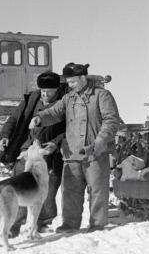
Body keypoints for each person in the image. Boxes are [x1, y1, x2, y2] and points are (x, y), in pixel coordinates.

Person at [29, 63, 122, 234]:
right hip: (71, 152)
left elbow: (111, 121)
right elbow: (54, 112)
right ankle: (70, 224)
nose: (69, 86)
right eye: (68, 82)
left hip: (94, 151)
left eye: (72, 82)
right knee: (70, 191)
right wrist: (39, 118)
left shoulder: (102, 95)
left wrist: (99, 143)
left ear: (82, 78)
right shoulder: (68, 98)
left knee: (97, 190)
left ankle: (97, 225)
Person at [0, 71, 66, 238]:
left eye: (49, 91)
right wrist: (4, 136)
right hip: (26, 152)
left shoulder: (65, 102)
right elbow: (13, 119)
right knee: (18, 189)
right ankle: (13, 226)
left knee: (47, 192)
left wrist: (56, 143)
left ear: (57, 89)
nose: (45, 94)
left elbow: (69, 129)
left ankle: (42, 223)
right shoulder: (31, 100)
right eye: (43, 91)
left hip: (49, 154)